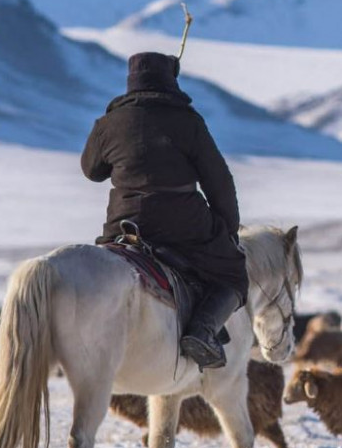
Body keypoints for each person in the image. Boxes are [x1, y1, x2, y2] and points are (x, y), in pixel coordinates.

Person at [81, 52, 247, 369]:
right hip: (182, 226)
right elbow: (219, 181)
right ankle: (202, 331)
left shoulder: (108, 123)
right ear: (171, 81)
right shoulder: (188, 121)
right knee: (234, 273)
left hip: (123, 224)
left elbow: (92, 171)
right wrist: (227, 230)